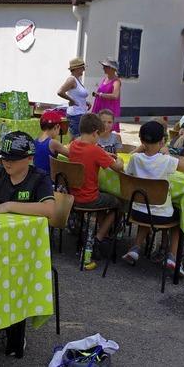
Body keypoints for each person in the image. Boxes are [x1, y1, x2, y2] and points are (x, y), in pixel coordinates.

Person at [122, 121, 184, 277]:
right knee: (180, 218)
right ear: (162, 141)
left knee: (147, 205)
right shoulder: (167, 160)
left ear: (141, 141)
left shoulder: (135, 159)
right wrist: (167, 153)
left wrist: (140, 148)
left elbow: (128, 169)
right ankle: (172, 256)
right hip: (162, 216)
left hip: (136, 212)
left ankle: (136, 248)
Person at [67, 113, 123, 265]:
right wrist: (120, 159)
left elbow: (90, 154)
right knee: (118, 204)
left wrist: (103, 153)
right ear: (95, 133)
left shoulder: (73, 145)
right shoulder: (95, 150)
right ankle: (98, 238)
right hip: (89, 198)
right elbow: (117, 168)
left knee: (105, 199)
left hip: (73, 196)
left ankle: (96, 233)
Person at [57, 58, 90, 139]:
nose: (84, 69)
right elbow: (60, 92)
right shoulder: (71, 80)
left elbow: (76, 95)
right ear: (77, 68)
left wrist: (85, 102)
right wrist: (71, 100)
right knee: (76, 139)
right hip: (75, 115)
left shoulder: (76, 80)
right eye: (82, 67)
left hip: (80, 113)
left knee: (79, 138)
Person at [33, 110, 69, 177]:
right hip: (48, 180)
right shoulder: (53, 143)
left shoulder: (36, 141)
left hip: (36, 178)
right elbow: (71, 154)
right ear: (57, 127)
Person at [91, 58, 121, 132]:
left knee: (107, 130)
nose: (103, 68)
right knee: (97, 129)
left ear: (111, 68)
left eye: (105, 66)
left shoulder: (116, 81)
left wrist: (101, 95)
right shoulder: (105, 79)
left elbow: (115, 95)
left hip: (109, 109)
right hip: (100, 107)